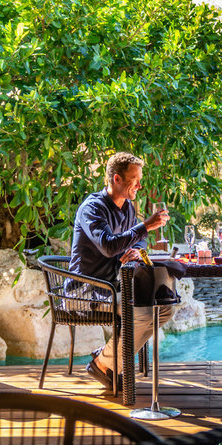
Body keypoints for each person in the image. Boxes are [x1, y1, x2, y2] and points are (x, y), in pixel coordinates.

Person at [70, 151, 173, 391]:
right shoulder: (92, 208)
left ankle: (105, 360)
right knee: (142, 312)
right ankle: (106, 363)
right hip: (86, 290)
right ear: (117, 179)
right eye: (135, 179)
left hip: (114, 286)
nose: (140, 185)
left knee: (164, 308)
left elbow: (138, 240)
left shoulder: (127, 208)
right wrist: (146, 226)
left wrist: (136, 250)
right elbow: (108, 246)